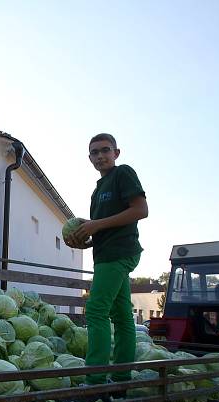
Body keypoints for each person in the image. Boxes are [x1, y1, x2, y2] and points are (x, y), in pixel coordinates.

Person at [67, 133, 148, 387]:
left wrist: (95, 225)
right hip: (105, 254)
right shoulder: (97, 191)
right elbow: (103, 229)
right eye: (94, 152)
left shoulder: (123, 173)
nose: (100, 156)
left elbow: (140, 210)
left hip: (119, 253)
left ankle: (95, 381)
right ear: (89, 158)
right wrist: (85, 239)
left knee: (96, 311)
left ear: (116, 153)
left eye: (105, 150)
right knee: (123, 316)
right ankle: (122, 379)